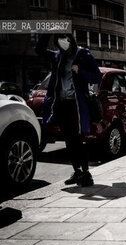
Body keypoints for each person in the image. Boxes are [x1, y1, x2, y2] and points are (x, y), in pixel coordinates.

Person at [35, 33, 102, 187]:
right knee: (69, 140)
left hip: (77, 105)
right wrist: (48, 33)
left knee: (78, 139)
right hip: (61, 104)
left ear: (71, 39)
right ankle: (77, 171)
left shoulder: (83, 55)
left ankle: (86, 173)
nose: (63, 42)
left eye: (65, 39)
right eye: (59, 40)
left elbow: (97, 77)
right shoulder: (58, 56)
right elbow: (39, 50)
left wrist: (80, 71)